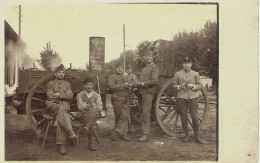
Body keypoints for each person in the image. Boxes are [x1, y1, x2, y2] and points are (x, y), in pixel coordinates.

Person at [172, 56, 204, 144]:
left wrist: (193, 86)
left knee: (194, 116)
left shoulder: (195, 74)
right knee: (184, 117)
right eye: (185, 63)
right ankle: (186, 135)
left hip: (193, 97)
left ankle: (197, 135)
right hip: (182, 97)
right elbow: (174, 85)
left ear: (191, 64)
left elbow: (200, 85)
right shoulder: (178, 74)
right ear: (182, 64)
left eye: (188, 63)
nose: (187, 65)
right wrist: (180, 86)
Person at [45, 64, 76, 155]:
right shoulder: (50, 84)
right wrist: (63, 95)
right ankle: (70, 131)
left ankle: (61, 145)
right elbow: (50, 96)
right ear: (55, 74)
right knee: (61, 110)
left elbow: (70, 96)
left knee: (60, 118)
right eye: (59, 72)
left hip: (63, 106)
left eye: (63, 73)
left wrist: (58, 94)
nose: (61, 74)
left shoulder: (68, 84)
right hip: (53, 105)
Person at [133, 50, 159, 142]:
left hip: (148, 92)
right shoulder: (144, 69)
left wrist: (141, 83)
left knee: (145, 112)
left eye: (150, 56)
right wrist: (136, 83)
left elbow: (154, 81)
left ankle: (146, 134)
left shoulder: (154, 67)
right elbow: (140, 81)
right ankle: (144, 131)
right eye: (146, 56)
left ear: (152, 57)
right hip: (141, 93)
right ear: (144, 58)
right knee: (141, 112)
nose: (148, 57)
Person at [76, 77, 103, 151]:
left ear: (93, 85)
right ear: (84, 85)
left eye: (91, 84)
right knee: (91, 119)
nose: (89, 86)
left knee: (92, 113)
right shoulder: (80, 95)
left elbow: (99, 107)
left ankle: (87, 127)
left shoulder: (97, 95)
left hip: (94, 113)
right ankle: (92, 142)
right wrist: (91, 105)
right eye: (87, 84)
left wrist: (86, 106)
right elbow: (80, 107)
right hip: (83, 115)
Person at [108, 62, 131, 141]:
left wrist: (131, 86)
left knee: (125, 115)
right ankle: (121, 134)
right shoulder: (112, 77)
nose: (120, 69)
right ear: (115, 68)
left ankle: (117, 133)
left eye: (121, 67)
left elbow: (128, 87)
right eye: (118, 67)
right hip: (117, 98)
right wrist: (123, 86)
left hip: (126, 98)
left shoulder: (125, 76)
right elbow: (111, 87)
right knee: (119, 116)